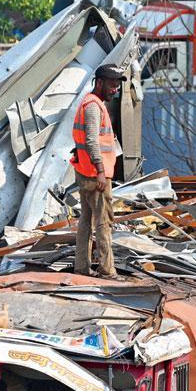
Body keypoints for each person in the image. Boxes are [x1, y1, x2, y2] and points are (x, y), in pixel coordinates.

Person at [71, 64, 125, 278]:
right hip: (95, 175)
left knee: (85, 220)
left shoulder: (89, 103)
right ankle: (107, 270)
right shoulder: (93, 106)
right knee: (104, 222)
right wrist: (101, 171)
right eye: (112, 85)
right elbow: (92, 141)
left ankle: (81, 267)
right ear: (99, 82)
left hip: (85, 171)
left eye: (117, 86)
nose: (115, 90)